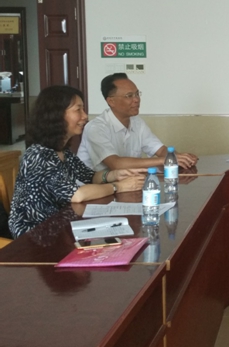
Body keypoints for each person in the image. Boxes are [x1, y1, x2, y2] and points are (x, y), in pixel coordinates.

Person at [9, 85, 145, 239]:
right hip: (36, 235)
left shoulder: (63, 151)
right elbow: (77, 195)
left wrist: (115, 175)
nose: (85, 116)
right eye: (78, 110)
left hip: (61, 224)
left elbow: (90, 177)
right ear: (57, 115)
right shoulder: (39, 155)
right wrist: (118, 186)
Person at [77, 73, 198, 171]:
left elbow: (160, 150)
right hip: (93, 189)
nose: (136, 100)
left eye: (137, 94)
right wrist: (164, 160)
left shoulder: (137, 123)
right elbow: (115, 164)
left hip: (126, 184)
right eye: (129, 96)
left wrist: (179, 158)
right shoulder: (96, 128)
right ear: (111, 101)